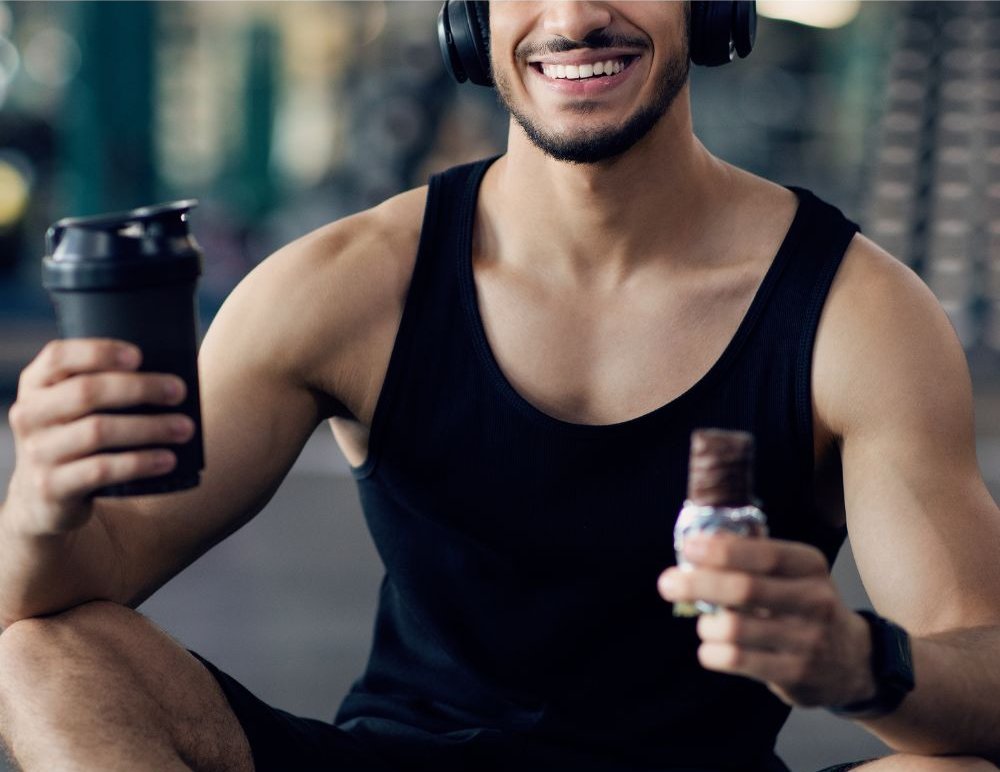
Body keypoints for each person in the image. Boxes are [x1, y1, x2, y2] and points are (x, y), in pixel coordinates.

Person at [0, 2, 998, 771]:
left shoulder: (854, 314)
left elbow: (985, 672)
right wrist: (39, 514)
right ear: (470, 16)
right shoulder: (349, 285)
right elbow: (43, 598)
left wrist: (859, 659)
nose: (570, 18)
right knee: (51, 658)